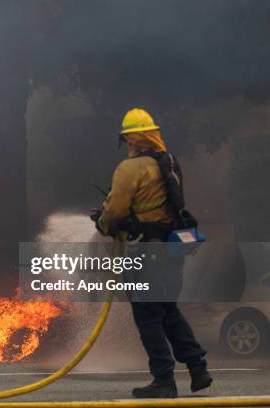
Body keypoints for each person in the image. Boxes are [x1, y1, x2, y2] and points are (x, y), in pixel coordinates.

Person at [91, 108, 213, 398]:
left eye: (128, 140)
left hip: (144, 253)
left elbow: (116, 211)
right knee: (167, 310)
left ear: (131, 139)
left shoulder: (130, 169)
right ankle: (198, 369)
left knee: (148, 316)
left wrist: (103, 222)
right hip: (171, 249)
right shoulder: (166, 162)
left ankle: (163, 379)